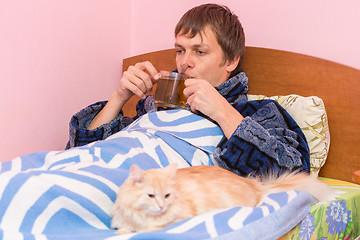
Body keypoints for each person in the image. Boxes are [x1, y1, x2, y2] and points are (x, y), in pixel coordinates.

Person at [67, 3, 310, 176]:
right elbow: (79, 153)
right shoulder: (152, 110)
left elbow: (293, 174)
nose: (185, 62)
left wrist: (223, 112)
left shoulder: (258, 112)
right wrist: (118, 98)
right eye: (180, 50)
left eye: (200, 51)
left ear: (231, 61)